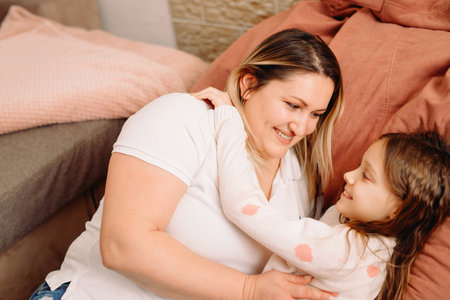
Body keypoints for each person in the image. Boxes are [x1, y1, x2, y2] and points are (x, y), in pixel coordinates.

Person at [30, 29, 344, 300]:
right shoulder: (184, 118)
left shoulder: (298, 179)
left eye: (316, 114)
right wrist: (250, 289)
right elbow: (121, 246)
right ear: (249, 85)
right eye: (293, 105)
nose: (301, 128)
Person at [198, 94, 449, 299]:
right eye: (359, 167)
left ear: (398, 209)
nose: (349, 175)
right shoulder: (378, 246)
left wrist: (229, 121)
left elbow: (242, 205)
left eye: (366, 176)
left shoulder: (345, 250)